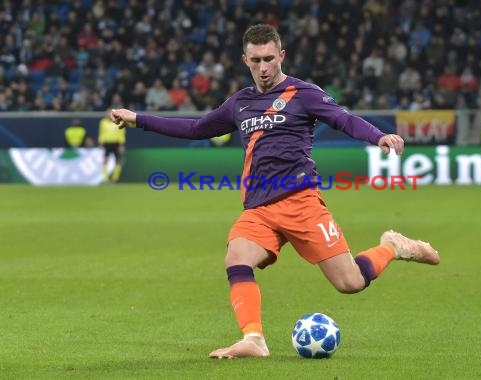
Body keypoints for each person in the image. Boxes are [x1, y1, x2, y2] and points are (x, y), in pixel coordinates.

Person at [111, 24, 440, 359]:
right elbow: (197, 128)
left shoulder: (303, 93)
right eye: (256, 60)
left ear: (281, 55)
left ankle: (393, 246)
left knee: (350, 283)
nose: (264, 67)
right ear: (245, 60)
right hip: (258, 209)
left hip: (301, 202)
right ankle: (253, 339)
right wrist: (139, 119)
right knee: (236, 258)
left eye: (269, 58)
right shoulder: (240, 103)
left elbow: (343, 119)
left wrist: (378, 136)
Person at [98, 108, 126, 183]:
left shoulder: (119, 122)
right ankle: (105, 178)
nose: (109, 115)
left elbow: (122, 133)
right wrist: (101, 143)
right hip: (107, 143)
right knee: (105, 160)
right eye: (108, 113)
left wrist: (121, 144)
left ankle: (115, 178)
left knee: (118, 160)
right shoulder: (103, 122)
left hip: (116, 143)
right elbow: (102, 133)